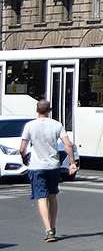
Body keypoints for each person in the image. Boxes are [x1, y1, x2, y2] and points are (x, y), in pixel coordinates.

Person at [18, 99, 78, 242]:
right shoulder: (57, 125)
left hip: (37, 166)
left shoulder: (29, 126)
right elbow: (68, 144)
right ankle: (53, 225)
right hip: (53, 166)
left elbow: (22, 148)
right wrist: (72, 162)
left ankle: (48, 230)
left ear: (36, 110)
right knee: (52, 195)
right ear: (50, 111)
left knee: (41, 198)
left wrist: (24, 157)